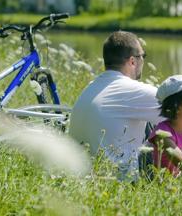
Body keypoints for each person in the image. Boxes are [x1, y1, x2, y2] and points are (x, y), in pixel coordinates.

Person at [69, 31, 164, 180]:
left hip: (81, 177)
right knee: (171, 127)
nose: (143, 61)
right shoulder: (133, 90)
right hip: (118, 181)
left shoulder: (91, 86)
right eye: (142, 56)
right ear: (133, 61)